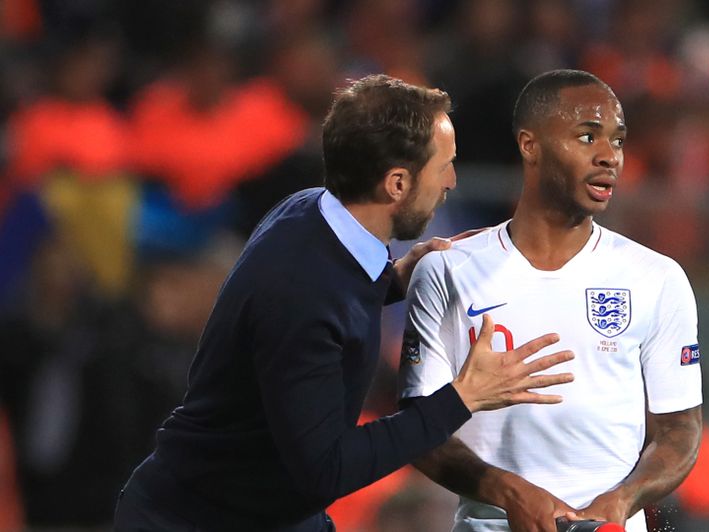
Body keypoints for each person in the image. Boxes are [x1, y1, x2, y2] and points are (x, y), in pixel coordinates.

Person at [114, 74, 577, 532]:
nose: (453, 181)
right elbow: (325, 470)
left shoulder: (309, 210)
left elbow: (333, 295)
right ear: (397, 183)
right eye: (444, 166)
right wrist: (462, 397)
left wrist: (396, 279)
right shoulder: (303, 295)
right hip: (197, 519)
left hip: (269, 513)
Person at [398, 69, 704, 532]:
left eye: (618, 141)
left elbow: (679, 431)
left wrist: (622, 499)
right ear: (530, 145)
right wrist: (509, 493)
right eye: (587, 136)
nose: (610, 157)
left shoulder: (656, 278)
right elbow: (418, 429)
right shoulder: (448, 271)